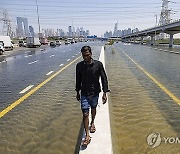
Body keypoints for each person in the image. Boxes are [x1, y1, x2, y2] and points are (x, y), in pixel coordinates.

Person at [75, 45, 109, 146]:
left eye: (87, 55)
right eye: (84, 55)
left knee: (93, 108)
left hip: (95, 92)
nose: (86, 57)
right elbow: (78, 80)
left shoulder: (98, 65)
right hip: (84, 93)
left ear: (91, 54)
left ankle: (92, 122)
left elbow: (104, 78)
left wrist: (104, 92)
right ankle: (87, 136)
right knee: (85, 113)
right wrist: (77, 92)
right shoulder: (79, 66)